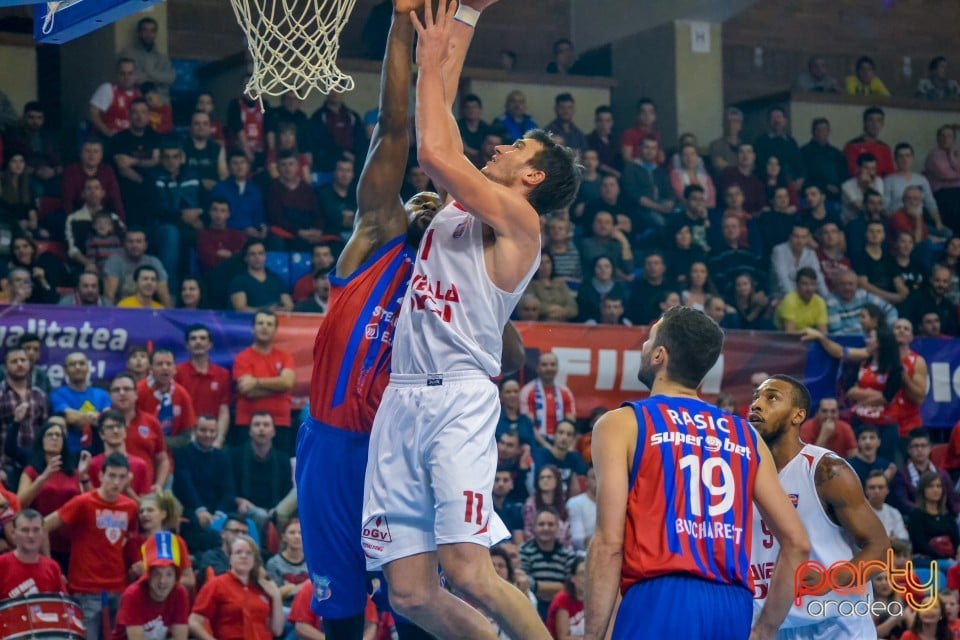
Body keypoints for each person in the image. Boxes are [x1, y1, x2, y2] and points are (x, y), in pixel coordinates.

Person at [362, 2, 579, 639]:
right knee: (408, 592)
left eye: (516, 147)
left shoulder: (522, 224)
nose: (502, 146)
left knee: (470, 571)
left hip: (458, 399)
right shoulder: (463, 203)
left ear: (532, 176)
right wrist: (462, 15)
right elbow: (442, 112)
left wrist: (432, 56)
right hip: (402, 400)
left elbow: (433, 147)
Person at [583, 307, 810, 640]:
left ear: (660, 355)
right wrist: (764, 631)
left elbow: (608, 544)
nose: (644, 347)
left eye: (649, 340)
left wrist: (592, 635)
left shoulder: (622, 424)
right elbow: (798, 543)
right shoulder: (746, 436)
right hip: (732, 605)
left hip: (661, 597)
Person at [748, 375, 888, 639]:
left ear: (797, 415)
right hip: (774, 625)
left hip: (836, 627)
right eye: (755, 396)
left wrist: (830, 579)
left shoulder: (825, 470)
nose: (756, 404)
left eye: (771, 397)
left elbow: (880, 549)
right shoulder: (740, 472)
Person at [44, 453, 138, 640]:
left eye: (121, 477)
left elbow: (127, 539)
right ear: (101, 476)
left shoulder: (130, 507)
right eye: (111, 476)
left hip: (117, 588)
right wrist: (49, 563)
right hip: (86, 589)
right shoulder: (83, 502)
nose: (116, 482)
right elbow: (43, 526)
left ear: (127, 479)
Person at [16, 419, 86, 569]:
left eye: (58, 435)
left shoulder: (72, 473)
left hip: (71, 542)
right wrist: (43, 478)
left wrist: (84, 476)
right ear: (42, 440)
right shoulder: (32, 471)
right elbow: (19, 504)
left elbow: (83, 504)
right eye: (50, 435)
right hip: (38, 540)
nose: (55, 438)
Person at [188, 534, 285, 640]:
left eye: (249, 553)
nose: (244, 556)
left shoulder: (263, 587)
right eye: (238, 552)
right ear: (230, 558)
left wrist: (276, 596)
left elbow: (277, 630)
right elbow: (194, 622)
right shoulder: (216, 585)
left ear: (254, 560)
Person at [112, 531, 190, 640]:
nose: (163, 581)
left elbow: (180, 637)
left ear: (176, 577)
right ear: (148, 575)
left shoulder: (180, 593)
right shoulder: (133, 595)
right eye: (157, 574)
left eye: (169, 574)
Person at [0, 508, 65, 597]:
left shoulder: (52, 567)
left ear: (43, 533)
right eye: (25, 530)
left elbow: (63, 606)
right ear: (14, 535)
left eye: (36, 530)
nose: (31, 535)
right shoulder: (2, 564)